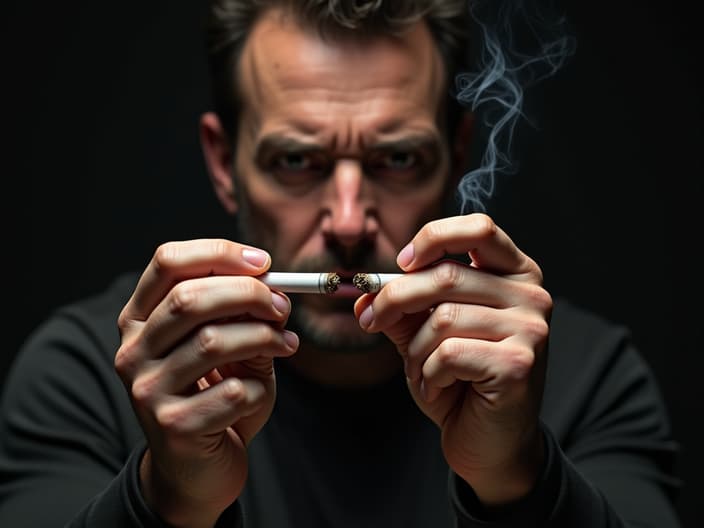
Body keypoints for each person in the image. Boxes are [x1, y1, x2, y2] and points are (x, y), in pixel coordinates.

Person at [0, 1, 681, 526]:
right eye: (297, 161)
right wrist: (166, 499)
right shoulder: (90, 376)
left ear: (458, 151)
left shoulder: (587, 380)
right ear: (223, 161)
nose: (350, 221)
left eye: (397, 159)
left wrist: (520, 477)